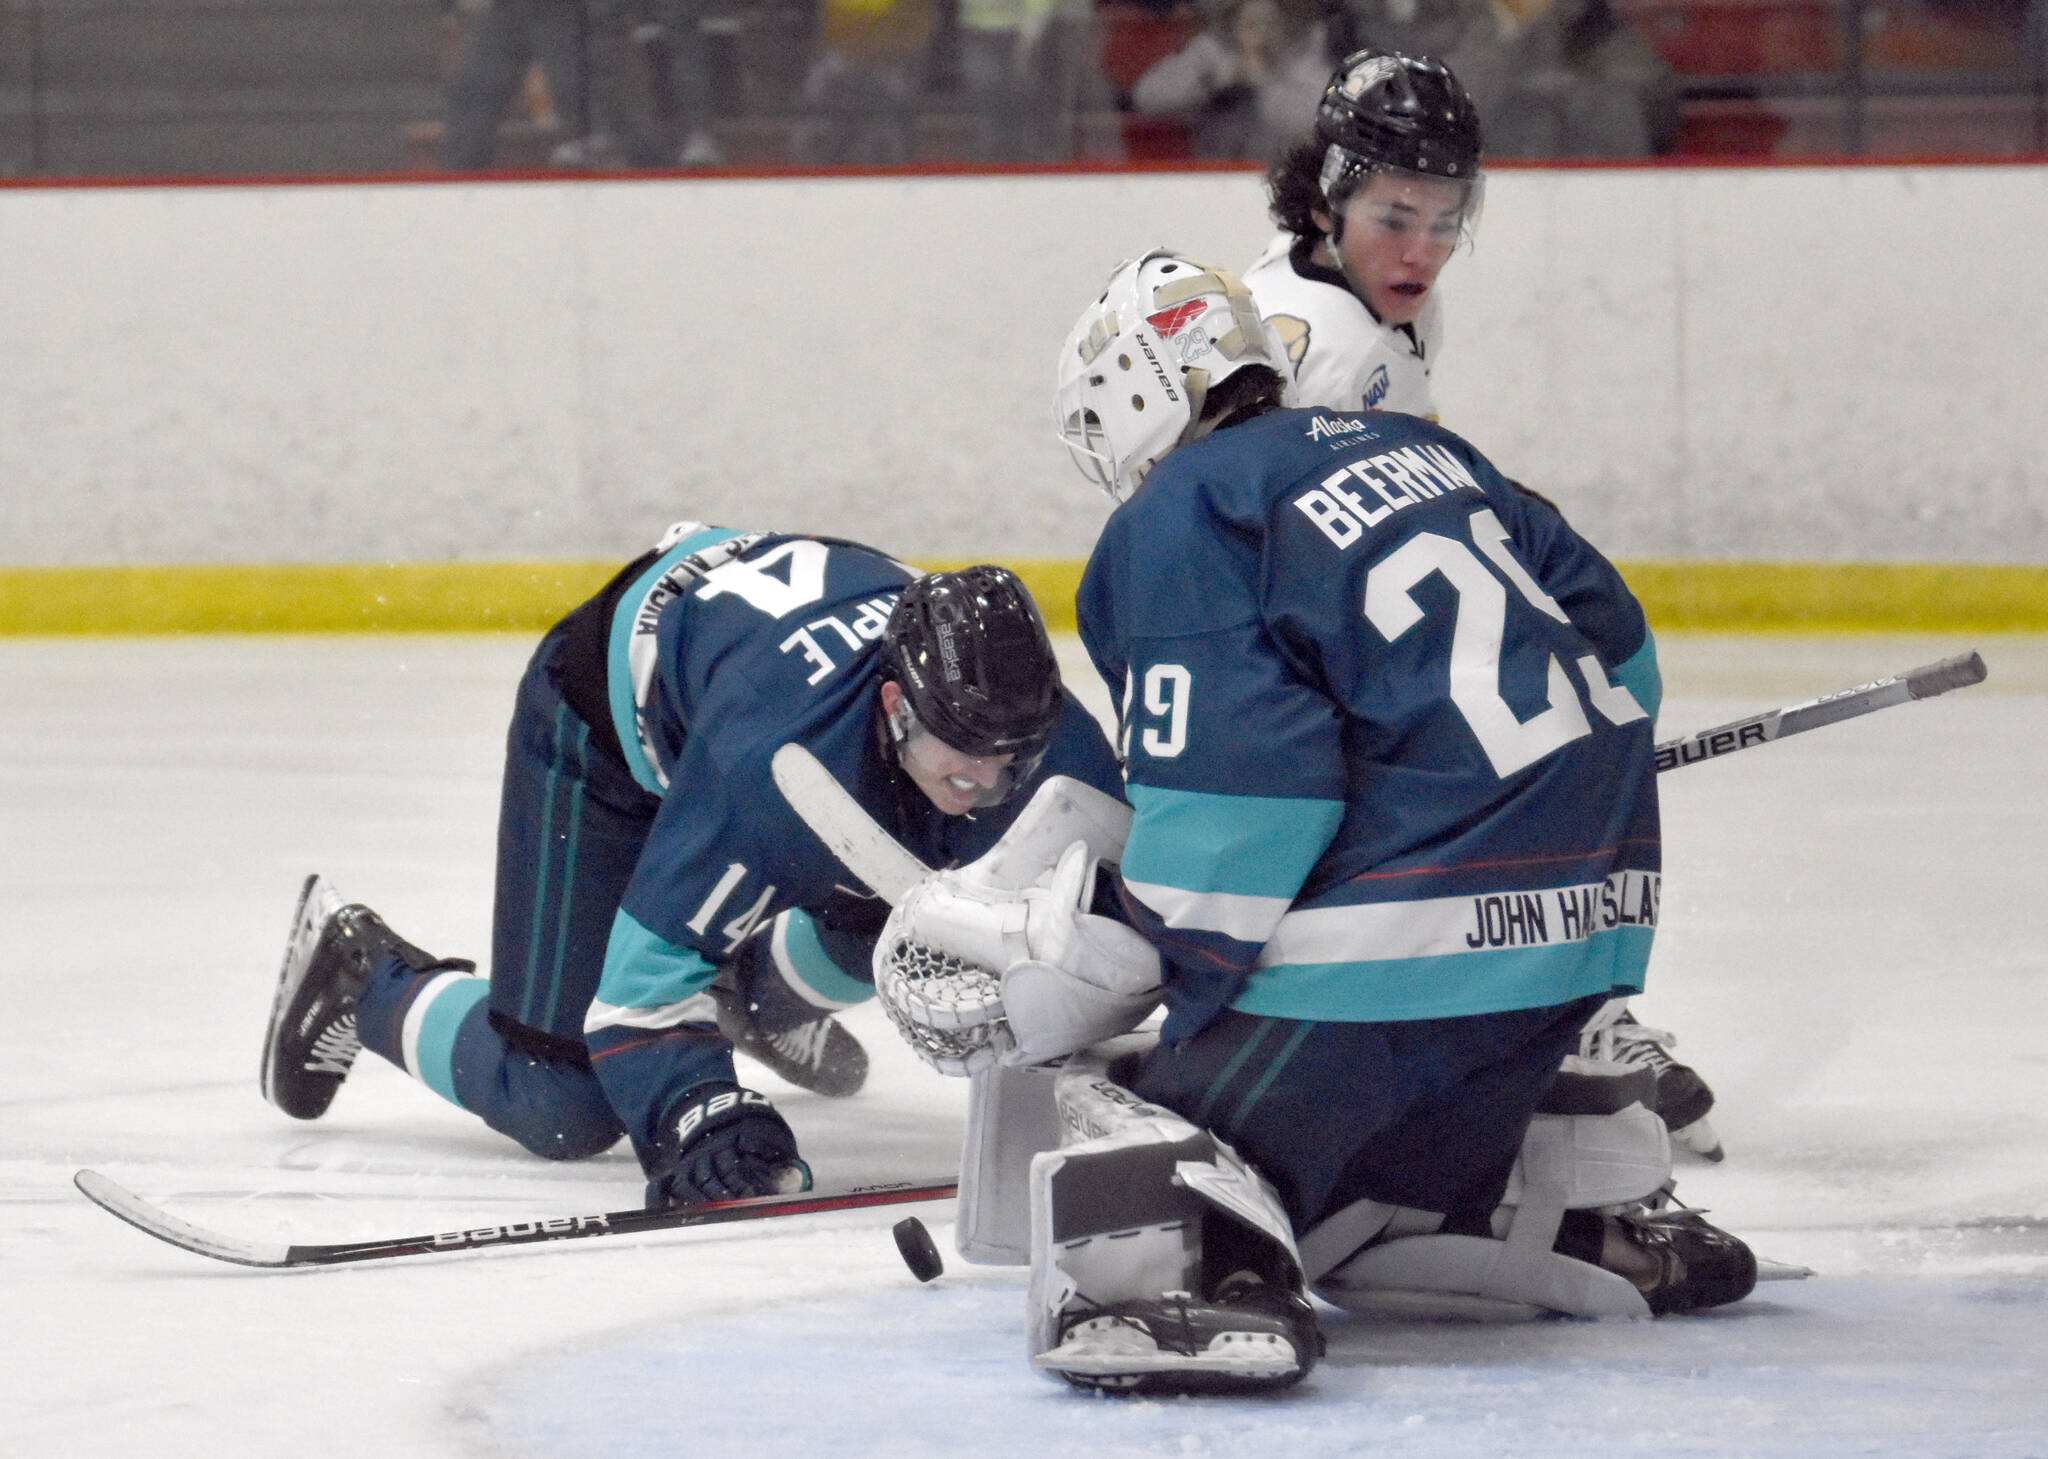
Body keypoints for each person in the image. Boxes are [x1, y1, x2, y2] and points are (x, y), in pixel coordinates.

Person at [866, 251, 1755, 1394]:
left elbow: (1243, 823)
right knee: (1372, 1164)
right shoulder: (1437, 452)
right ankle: (1578, 1209)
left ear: (1133, 393)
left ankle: (1196, 1279)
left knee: (1122, 1090)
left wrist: (1121, 961)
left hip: (1405, 948)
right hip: (1589, 931)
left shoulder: (1184, 513)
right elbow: (1622, 654)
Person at [258, 532, 1122, 1210]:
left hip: (740, 646)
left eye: (1011, 755)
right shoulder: (771, 775)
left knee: (933, 898)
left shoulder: (1047, 741)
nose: (989, 779)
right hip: (599, 729)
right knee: (561, 1102)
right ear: (896, 706)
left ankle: (758, 999)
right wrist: (700, 1111)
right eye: (962, 754)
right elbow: (638, 1002)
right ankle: (360, 975)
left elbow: (1122, 909)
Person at [1247, 47, 1722, 1157]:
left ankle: (1571, 991)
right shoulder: (1305, 345)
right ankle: (1561, 1009)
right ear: (1331, 192)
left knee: (1609, 670)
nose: (1420, 250)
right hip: (1331, 640)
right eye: (1393, 216)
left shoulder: (1366, 300)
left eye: (1444, 219)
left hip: (1400, 577)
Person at [1126, 0, 1333, 163]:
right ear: (1234, 25)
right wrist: (1222, 81)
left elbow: (1315, 119)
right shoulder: (1209, 54)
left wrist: (1264, 84)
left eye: (1269, 23)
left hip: (1278, 171)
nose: (1260, 34)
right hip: (1211, 173)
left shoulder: (1301, 57)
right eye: (1250, 24)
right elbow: (1147, 99)